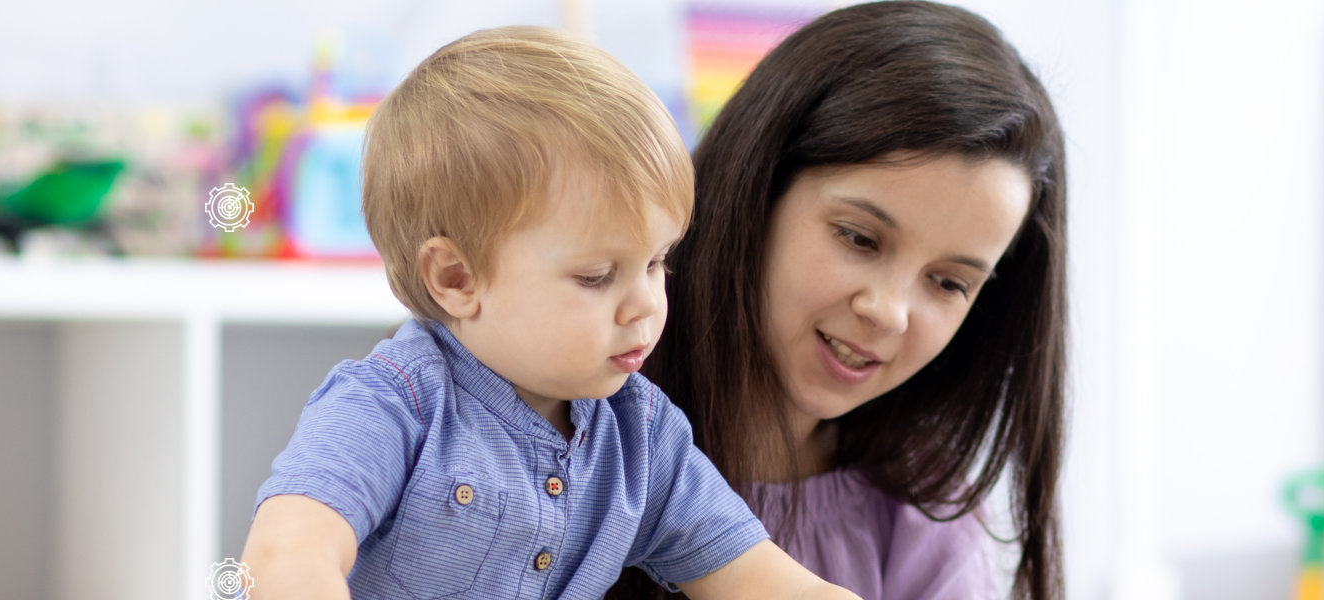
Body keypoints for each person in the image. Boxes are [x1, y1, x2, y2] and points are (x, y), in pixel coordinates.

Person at [239, 26, 857, 600]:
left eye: (657, 262)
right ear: (456, 279)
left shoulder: (641, 436)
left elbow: (772, 584)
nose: (646, 302)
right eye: (596, 276)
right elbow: (285, 558)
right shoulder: (390, 406)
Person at [609, 2, 1068, 598]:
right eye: (859, 237)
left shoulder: (919, 516)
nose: (887, 310)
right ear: (757, 187)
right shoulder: (556, 439)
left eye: (950, 282)